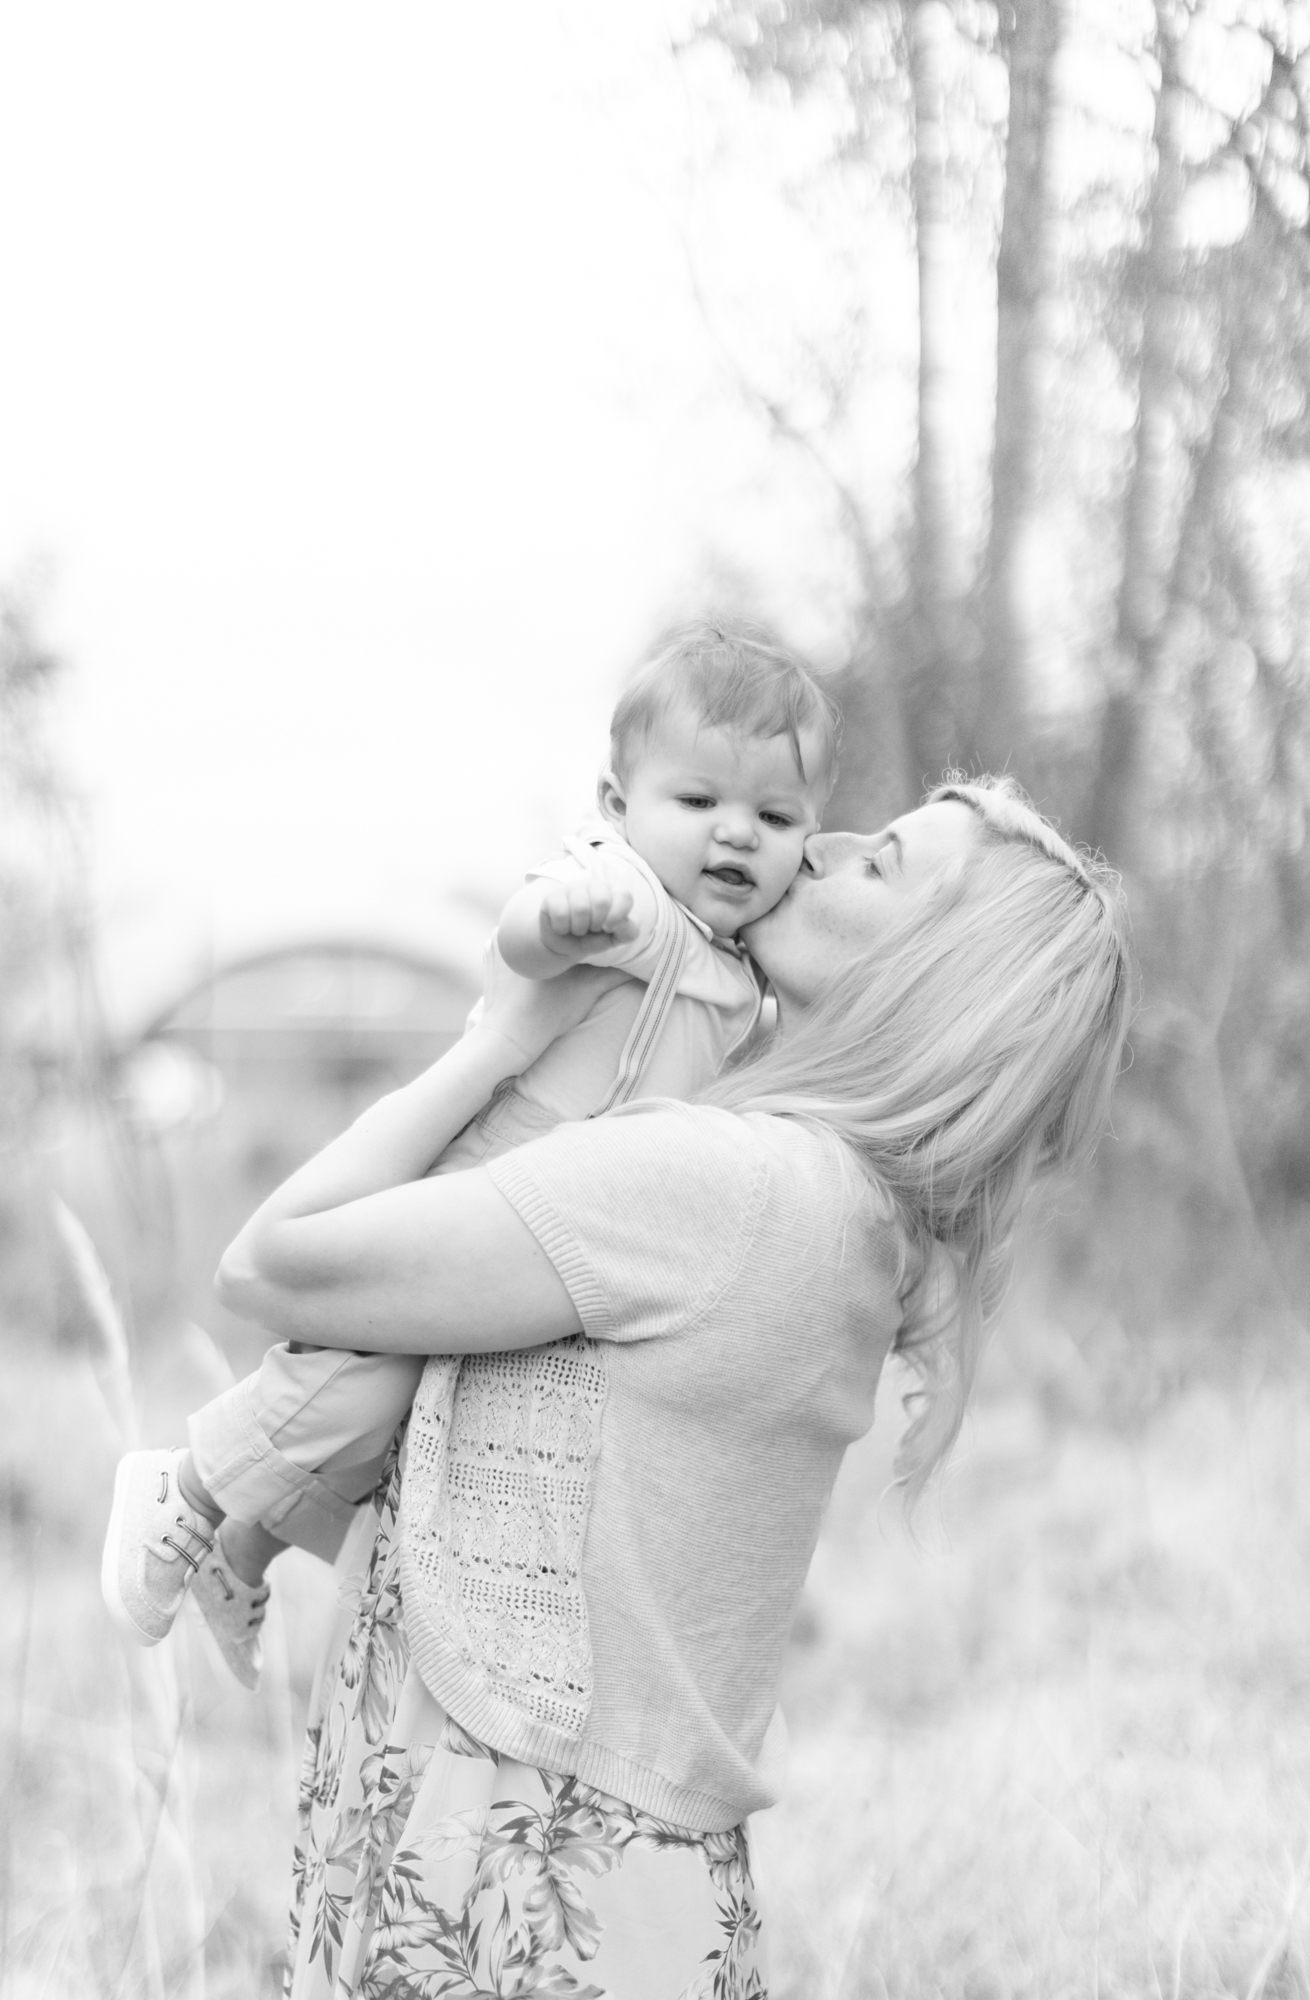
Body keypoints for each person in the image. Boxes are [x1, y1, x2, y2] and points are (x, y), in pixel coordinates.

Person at [197, 775, 1132, 1996]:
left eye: (882, 863)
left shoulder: (732, 1189)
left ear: (936, 978)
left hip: (516, 1902)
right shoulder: (850, 1216)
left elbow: (274, 1259)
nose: (823, 843)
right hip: (603, 1901)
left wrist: (508, 1033)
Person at [101, 624, 841, 1688]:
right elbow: (525, 934)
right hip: (485, 1182)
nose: (735, 836)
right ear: (618, 800)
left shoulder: (740, 978)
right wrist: (561, 914)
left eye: (773, 817)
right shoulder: (627, 900)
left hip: (560, 1232)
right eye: (698, 802)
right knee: (370, 1378)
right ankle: (190, 1483)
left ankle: (243, 1546)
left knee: (405, 1413)